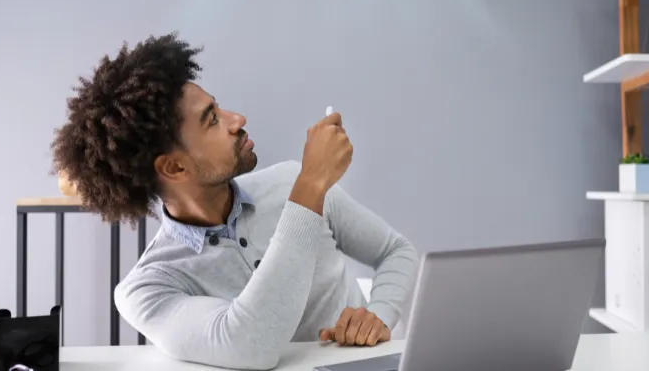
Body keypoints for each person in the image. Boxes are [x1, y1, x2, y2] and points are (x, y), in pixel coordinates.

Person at [50, 33, 419, 370]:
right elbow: (249, 346)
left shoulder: (289, 180)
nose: (237, 119)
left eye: (219, 107)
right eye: (211, 120)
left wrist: (379, 317)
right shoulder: (147, 288)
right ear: (175, 167)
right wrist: (312, 185)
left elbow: (394, 251)